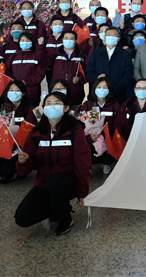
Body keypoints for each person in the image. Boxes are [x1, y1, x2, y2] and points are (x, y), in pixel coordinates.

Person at [15, 91, 91, 236]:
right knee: (22, 218)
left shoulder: (75, 131)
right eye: (48, 104)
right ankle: (55, 207)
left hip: (67, 182)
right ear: (43, 108)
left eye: (57, 103)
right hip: (43, 182)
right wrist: (24, 161)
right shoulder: (36, 132)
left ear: (66, 108)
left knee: (55, 183)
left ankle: (64, 216)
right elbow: (24, 169)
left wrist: (82, 192)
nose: (52, 107)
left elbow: (82, 162)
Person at [0, 80, 37, 183]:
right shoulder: (3, 109)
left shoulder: (29, 110)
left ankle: (20, 170)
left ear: (23, 93)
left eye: (17, 90)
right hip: (5, 143)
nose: (14, 92)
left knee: (12, 167)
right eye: (11, 90)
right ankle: (7, 172)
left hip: (22, 145)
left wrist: (15, 143)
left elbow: (30, 130)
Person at [77, 76, 122, 174]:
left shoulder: (115, 106)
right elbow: (79, 125)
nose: (102, 89)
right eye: (99, 87)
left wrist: (109, 139)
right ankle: (87, 165)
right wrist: (89, 138)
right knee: (82, 145)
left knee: (109, 153)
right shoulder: (88, 105)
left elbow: (118, 125)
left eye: (105, 87)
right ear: (94, 89)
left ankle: (107, 163)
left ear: (109, 90)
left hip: (107, 140)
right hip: (91, 139)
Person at [86, 26, 134, 101]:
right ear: (104, 37)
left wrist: (115, 89)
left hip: (119, 94)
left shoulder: (125, 54)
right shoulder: (96, 53)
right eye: (109, 35)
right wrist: (97, 77)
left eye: (114, 35)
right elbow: (89, 73)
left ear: (119, 38)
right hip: (98, 94)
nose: (111, 37)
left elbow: (128, 75)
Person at [6, 32, 46, 107]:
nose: (25, 42)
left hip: (32, 93)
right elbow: (7, 71)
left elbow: (40, 73)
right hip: (14, 93)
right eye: (22, 40)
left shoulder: (36, 56)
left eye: (27, 40)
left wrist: (26, 82)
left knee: (30, 113)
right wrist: (13, 82)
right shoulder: (13, 57)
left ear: (32, 42)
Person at [47, 30, 86, 106]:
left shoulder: (82, 55)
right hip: (57, 91)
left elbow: (86, 71)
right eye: (66, 38)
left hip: (75, 92)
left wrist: (80, 79)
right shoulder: (55, 54)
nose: (68, 41)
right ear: (62, 40)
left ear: (76, 41)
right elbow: (48, 68)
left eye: (71, 39)